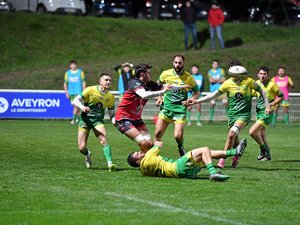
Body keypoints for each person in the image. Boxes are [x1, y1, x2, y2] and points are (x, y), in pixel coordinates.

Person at [183, 63, 271, 169]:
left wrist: (267, 106)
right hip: (231, 116)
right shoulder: (227, 83)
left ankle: (222, 161)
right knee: (233, 138)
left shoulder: (249, 81)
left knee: (231, 134)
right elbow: (212, 96)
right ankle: (236, 156)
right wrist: (196, 101)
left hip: (244, 115)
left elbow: (262, 91)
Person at [115, 63, 173, 153]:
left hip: (136, 119)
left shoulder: (150, 84)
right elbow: (144, 94)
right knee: (143, 143)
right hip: (123, 118)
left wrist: (183, 87)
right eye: (148, 73)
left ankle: (144, 162)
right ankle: (147, 163)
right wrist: (161, 92)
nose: (151, 75)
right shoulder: (134, 82)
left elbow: (167, 87)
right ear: (142, 74)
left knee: (149, 144)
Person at [127, 138, 247, 181]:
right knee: (205, 149)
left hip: (183, 174)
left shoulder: (143, 171)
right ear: (138, 161)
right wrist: (151, 142)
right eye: (138, 154)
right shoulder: (149, 155)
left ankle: (234, 152)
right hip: (177, 167)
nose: (140, 152)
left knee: (206, 153)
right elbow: (159, 143)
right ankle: (213, 173)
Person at [154, 55, 200, 157]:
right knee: (157, 133)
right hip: (166, 107)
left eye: (179, 63)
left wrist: (191, 99)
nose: (177, 65)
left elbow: (197, 92)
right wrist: (159, 98)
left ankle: (181, 147)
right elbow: (157, 86)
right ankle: (153, 155)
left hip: (180, 109)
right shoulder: (165, 74)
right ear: (172, 62)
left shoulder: (189, 78)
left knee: (177, 135)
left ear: (183, 63)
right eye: (175, 62)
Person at [72, 73, 116, 171]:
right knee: (81, 147)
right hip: (85, 120)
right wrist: (83, 107)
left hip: (97, 121)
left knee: (103, 139)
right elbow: (75, 100)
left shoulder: (110, 96)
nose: (108, 82)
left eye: (110, 80)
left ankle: (110, 164)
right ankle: (87, 154)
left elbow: (112, 113)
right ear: (100, 82)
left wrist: (114, 120)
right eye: (106, 80)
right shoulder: (90, 90)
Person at [249, 66, 284, 161]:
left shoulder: (272, 85)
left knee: (252, 132)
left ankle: (264, 149)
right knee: (261, 133)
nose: (262, 75)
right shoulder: (256, 84)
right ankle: (266, 154)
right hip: (259, 111)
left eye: (264, 74)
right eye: (260, 73)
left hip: (268, 112)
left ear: (268, 75)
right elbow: (251, 95)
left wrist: (271, 104)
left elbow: (281, 96)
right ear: (257, 74)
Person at [63, 60, 86, 125]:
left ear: (76, 65)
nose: (73, 66)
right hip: (71, 93)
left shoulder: (80, 72)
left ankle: (73, 120)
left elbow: (83, 82)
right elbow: (65, 83)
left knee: (76, 106)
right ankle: (78, 119)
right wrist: (66, 92)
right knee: (76, 107)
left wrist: (84, 91)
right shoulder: (67, 73)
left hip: (78, 92)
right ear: (70, 66)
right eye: (72, 65)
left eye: (74, 64)